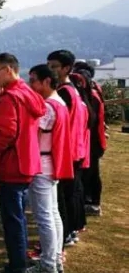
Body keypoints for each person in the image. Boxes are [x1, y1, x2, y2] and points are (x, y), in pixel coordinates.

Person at [0, 53, 46, 273]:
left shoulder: (11, 97)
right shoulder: (28, 93)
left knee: (13, 222)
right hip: (27, 162)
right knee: (18, 219)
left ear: (9, 70)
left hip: (12, 165)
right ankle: (18, 267)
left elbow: (5, 134)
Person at [26, 64, 74, 273]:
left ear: (46, 81)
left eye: (33, 80)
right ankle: (54, 259)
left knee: (44, 216)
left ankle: (48, 264)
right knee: (53, 214)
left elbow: (33, 133)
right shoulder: (60, 103)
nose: (31, 85)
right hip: (51, 164)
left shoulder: (47, 106)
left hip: (42, 165)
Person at [47, 50, 88, 246]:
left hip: (68, 151)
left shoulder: (63, 93)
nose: (50, 70)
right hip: (77, 148)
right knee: (71, 193)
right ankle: (71, 230)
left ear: (66, 68)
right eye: (49, 66)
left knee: (61, 198)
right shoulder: (74, 91)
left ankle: (62, 237)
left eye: (54, 66)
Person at [74, 66, 107, 216]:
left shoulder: (91, 96)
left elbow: (91, 121)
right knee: (88, 172)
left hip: (93, 141)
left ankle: (93, 202)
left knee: (92, 173)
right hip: (92, 139)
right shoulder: (93, 92)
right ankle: (89, 201)